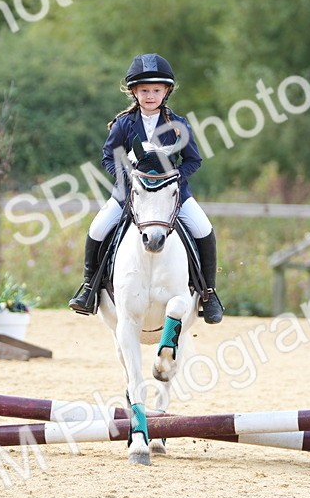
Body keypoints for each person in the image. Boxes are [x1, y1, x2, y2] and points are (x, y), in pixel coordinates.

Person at [68, 53, 224, 323]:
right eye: (144, 90)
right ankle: (89, 289)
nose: (150, 95)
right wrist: (126, 180)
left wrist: (174, 179)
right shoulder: (123, 124)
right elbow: (109, 156)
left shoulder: (179, 125)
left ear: (166, 92)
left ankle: (209, 295)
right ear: (134, 92)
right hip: (131, 193)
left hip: (171, 195)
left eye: (156, 90)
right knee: (97, 228)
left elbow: (193, 160)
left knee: (203, 229)